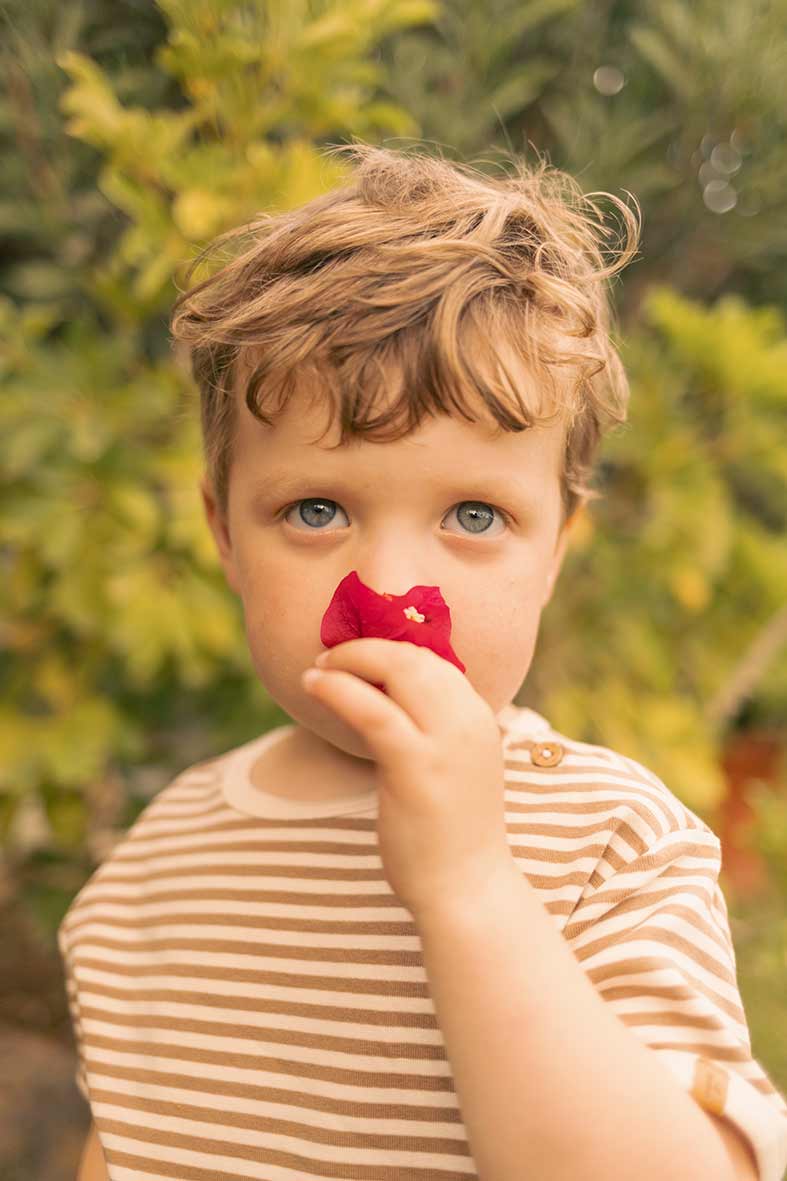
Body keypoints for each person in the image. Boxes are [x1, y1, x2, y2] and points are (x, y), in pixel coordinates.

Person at [60, 141, 787, 1181]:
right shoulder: (160, 856)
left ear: (554, 547)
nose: (391, 583)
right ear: (224, 534)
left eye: (474, 514)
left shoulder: (609, 841)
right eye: (315, 509)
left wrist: (470, 885)